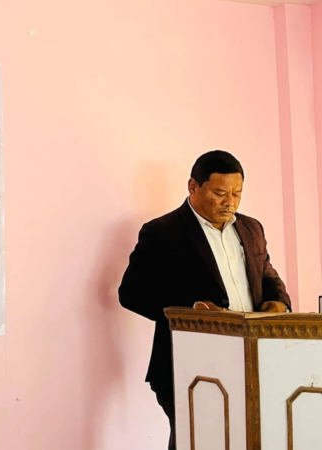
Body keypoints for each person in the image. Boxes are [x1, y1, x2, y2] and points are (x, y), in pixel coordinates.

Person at [118, 150, 291, 450]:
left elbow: (267, 275)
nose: (230, 202)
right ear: (193, 187)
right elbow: (131, 293)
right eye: (220, 193)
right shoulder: (161, 232)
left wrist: (280, 302)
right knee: (196, 442)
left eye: (237, 194)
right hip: (187, 364)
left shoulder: (252, 228)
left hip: (253, 362)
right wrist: (191, 311)